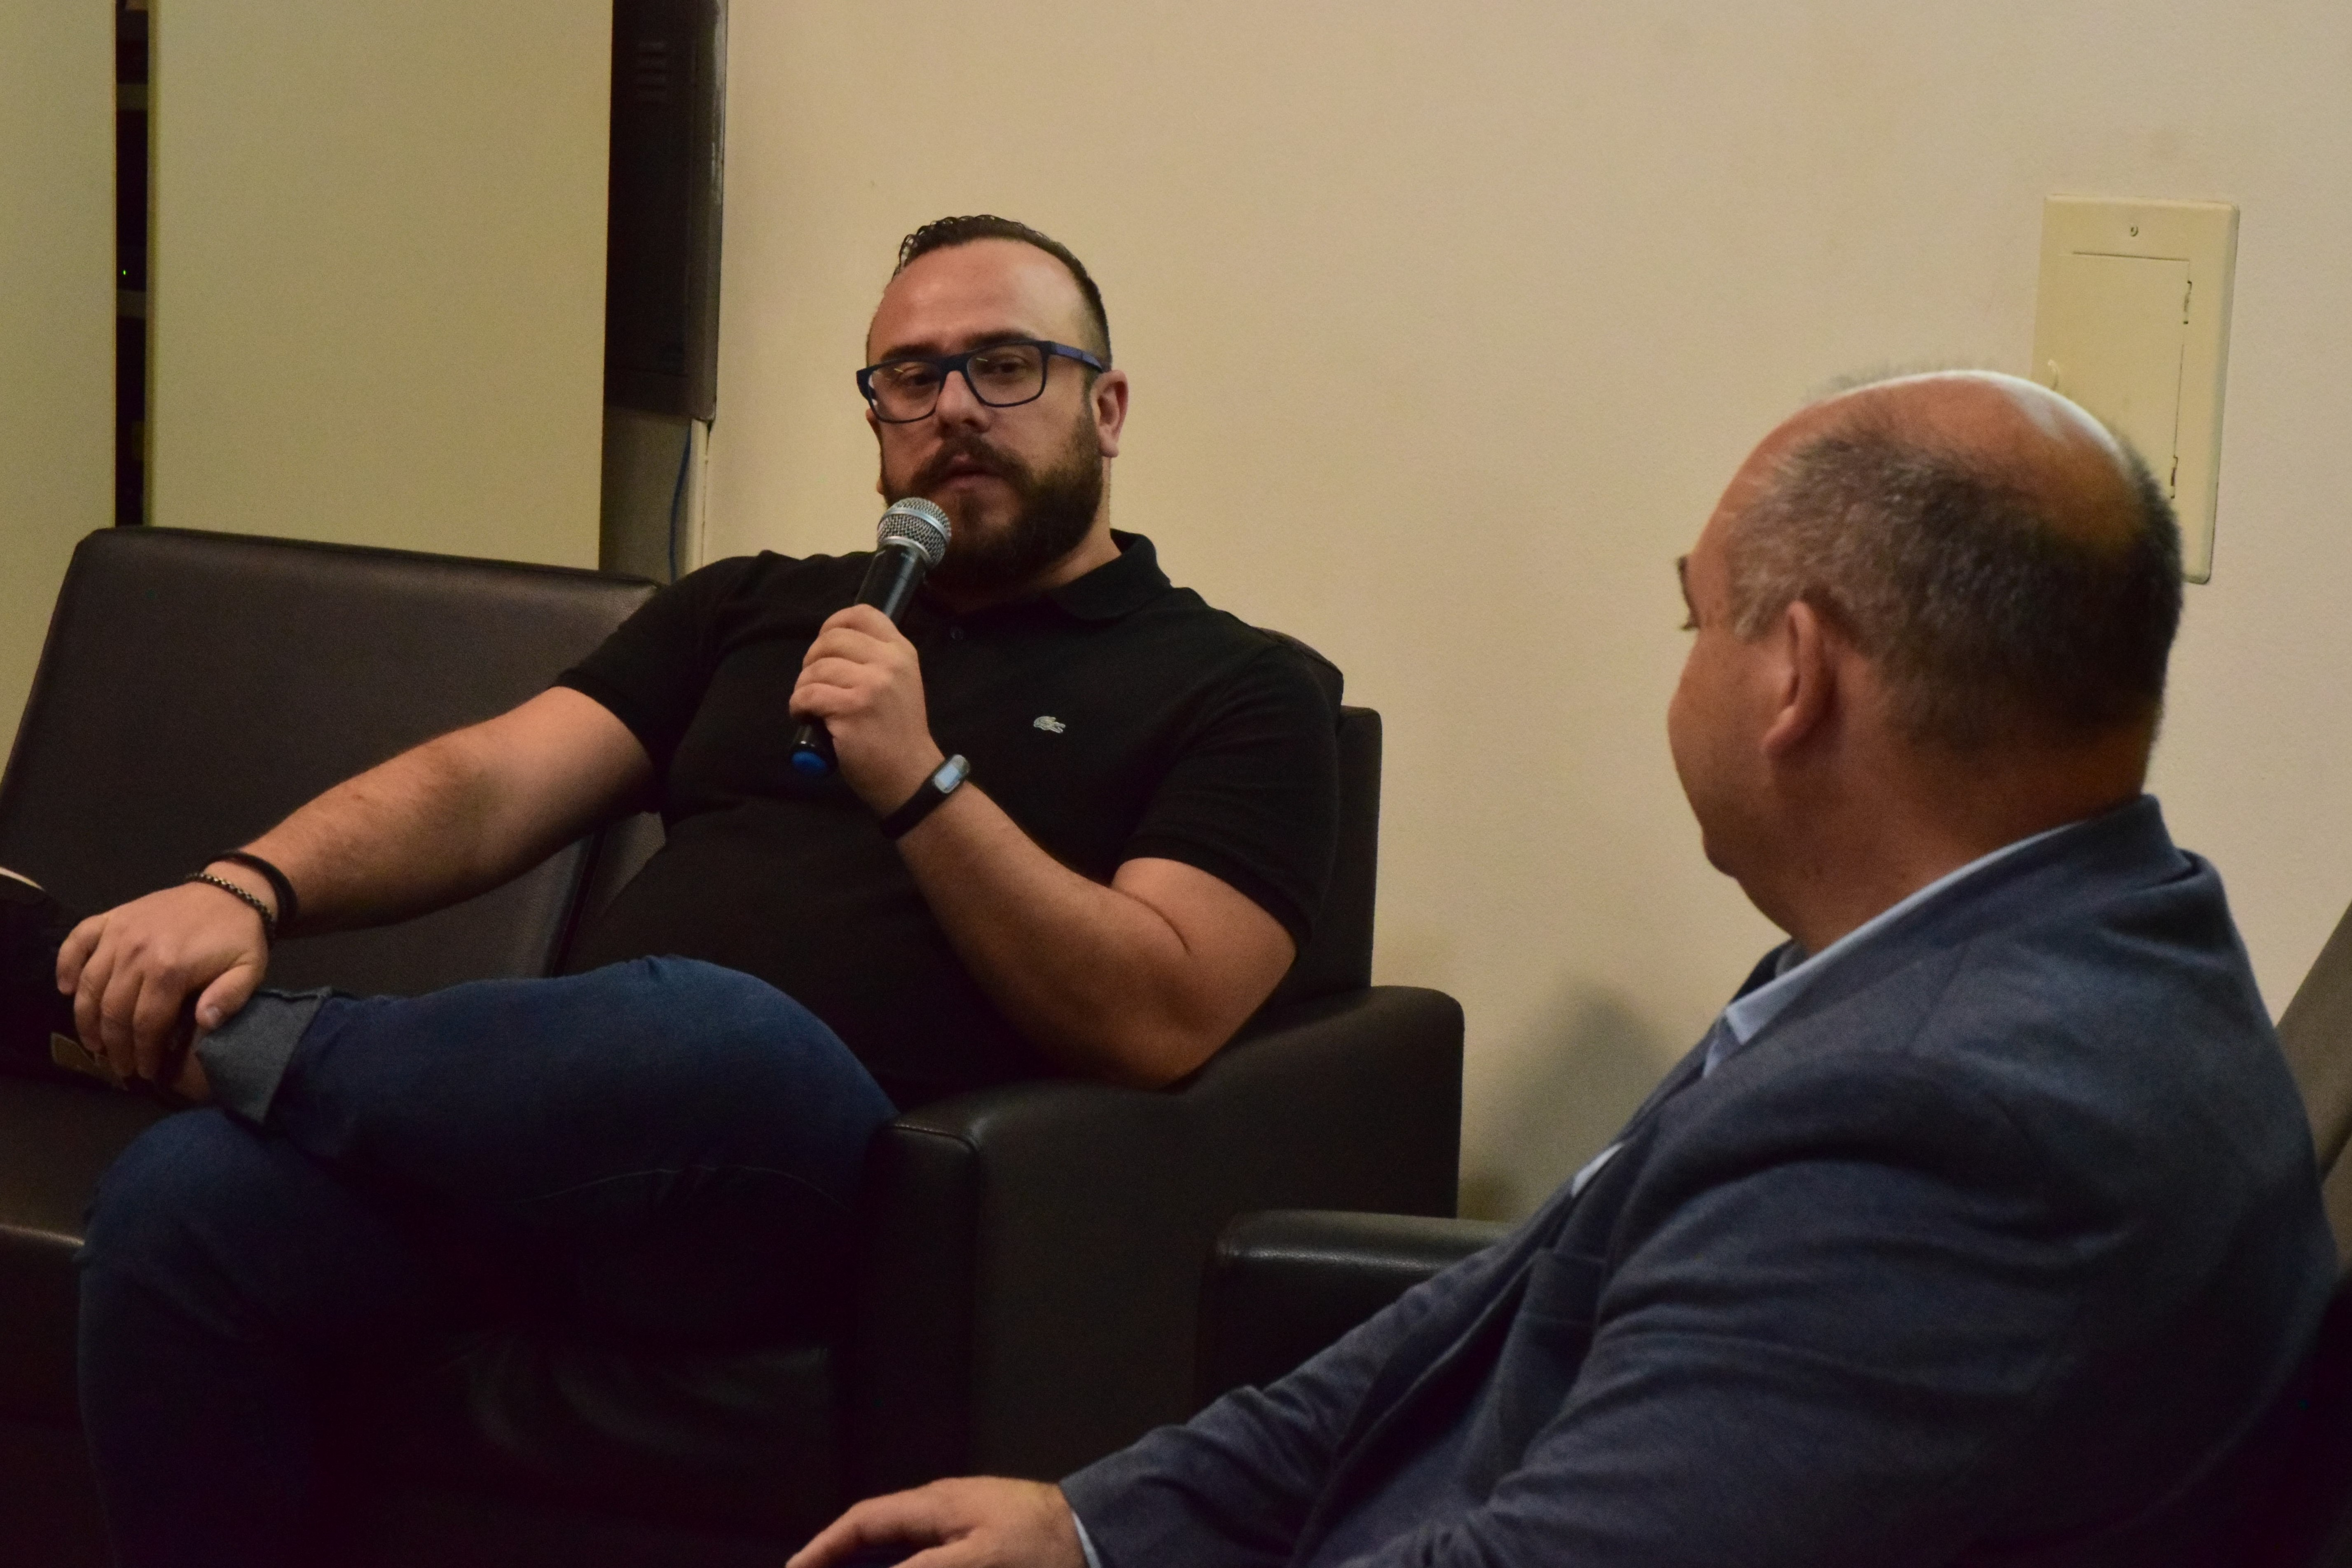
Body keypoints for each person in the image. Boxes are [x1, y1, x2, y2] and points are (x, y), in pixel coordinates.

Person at [789, 371, 2338, 1568]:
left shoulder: (1942, 1123)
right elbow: (1490, 1309)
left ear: (1795, 676)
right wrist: (1099, 1528)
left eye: (1697, 615)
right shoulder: (2044, 937)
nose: (1686, 658)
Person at [2, 215, 1343, 1566]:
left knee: (717, 1028)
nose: (951, 409)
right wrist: (248, 888)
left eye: (1004, 366)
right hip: (556, 1149)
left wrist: (920, 780)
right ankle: (208, 1041)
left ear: (1106, 408)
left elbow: (1159, 1011)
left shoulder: (1241, 690)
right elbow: (489, 784)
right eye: (909, 376)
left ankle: (154, 1026)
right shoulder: (756, 608)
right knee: (184, 1198)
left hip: (816, 1190)